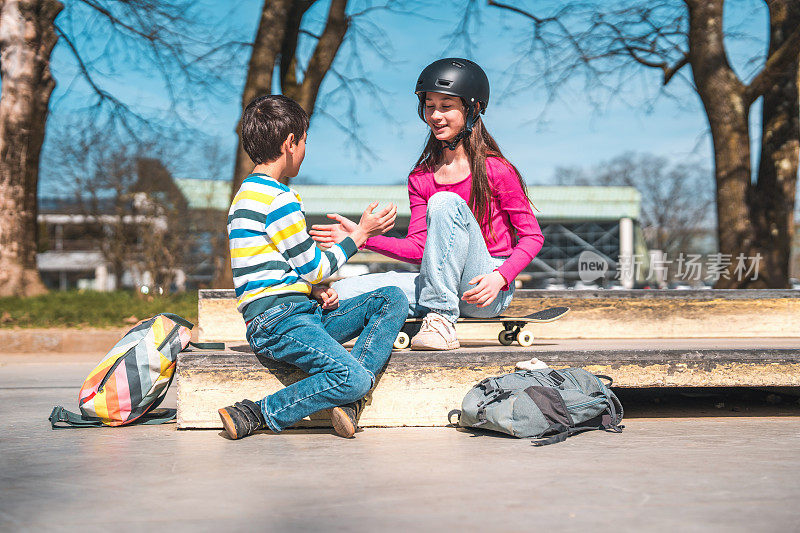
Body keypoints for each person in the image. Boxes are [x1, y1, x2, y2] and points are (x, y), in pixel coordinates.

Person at [310, 58, 544, 351]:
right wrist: (361, 238)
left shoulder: (495, 169)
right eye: (430, 106)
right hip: (438, 282)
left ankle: (443, 321)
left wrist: (501, 277)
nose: (435, 115)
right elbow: (421, 250)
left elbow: (533, 237)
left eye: (446, 106)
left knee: (445, 202)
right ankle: (309, 334)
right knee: (344, 291)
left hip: (485, 288)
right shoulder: (421, 177)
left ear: (471, 109)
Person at [218, 94, 408, 440]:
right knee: (355, 378)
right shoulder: (278, 199)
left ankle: (347, 403)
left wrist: (311, 290)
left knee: (391, 298)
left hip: (294, 313)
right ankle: (259, 412)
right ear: (290, 143)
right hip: (279, 323)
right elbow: (316, 267)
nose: (305, 149)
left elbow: (273, 268)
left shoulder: (247, 195)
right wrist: (360, 235)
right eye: (304, 141)